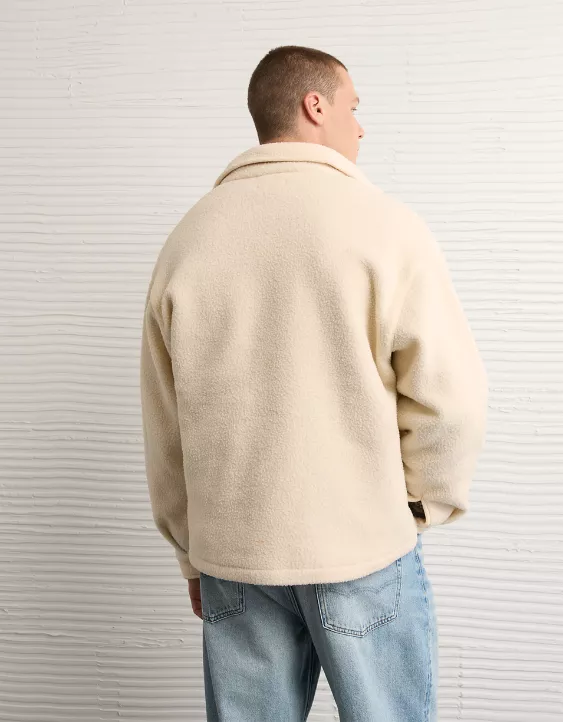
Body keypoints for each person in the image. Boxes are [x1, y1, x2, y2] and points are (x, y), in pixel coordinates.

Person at [139, 45, 488, 722]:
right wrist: (418, 506)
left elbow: (165, 425)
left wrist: (191, 553)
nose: (361, 127)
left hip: (233, 557)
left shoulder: (189, 239)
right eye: (353, 107)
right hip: (360, 545)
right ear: (314, 105)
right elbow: (452, 401)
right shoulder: (385, 227)